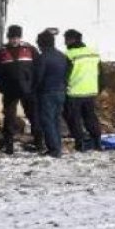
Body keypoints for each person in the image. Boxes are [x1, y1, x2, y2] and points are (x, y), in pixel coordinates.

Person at [0, 25, 40, 155]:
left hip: (28, 90)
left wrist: (35, 85)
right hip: (9, 91)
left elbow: (38, 68)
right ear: (8, 37)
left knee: (33, 116)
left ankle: (39, 143)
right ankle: (9, 145)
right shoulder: (1, 51)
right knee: (9, 117)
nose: (14, 40)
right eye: (12, 37)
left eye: (17, 37)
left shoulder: (30, 49)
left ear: (20, 37)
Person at [62, 29, 103, 152]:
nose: (64, 42)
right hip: (90, 91)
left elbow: (65, 75)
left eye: (65, 39)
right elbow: (101, 73)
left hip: (74, 92)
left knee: (74, 119)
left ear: (71, 40)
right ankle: (97, 142)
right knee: (90, 117)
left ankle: (80, 143)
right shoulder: (93, 53)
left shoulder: (69, 55)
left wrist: (63, 88)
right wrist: (98, 88)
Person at [32, 30, 70, 158]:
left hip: (46, 92)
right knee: (56, 120)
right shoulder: (62, 56)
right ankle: (57, 146)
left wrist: (33, 90)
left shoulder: (42, 58)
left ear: (42, 43)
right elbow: (67, 73)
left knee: (47, 121)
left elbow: (38, 77)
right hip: (61, 91)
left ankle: (53, 149)